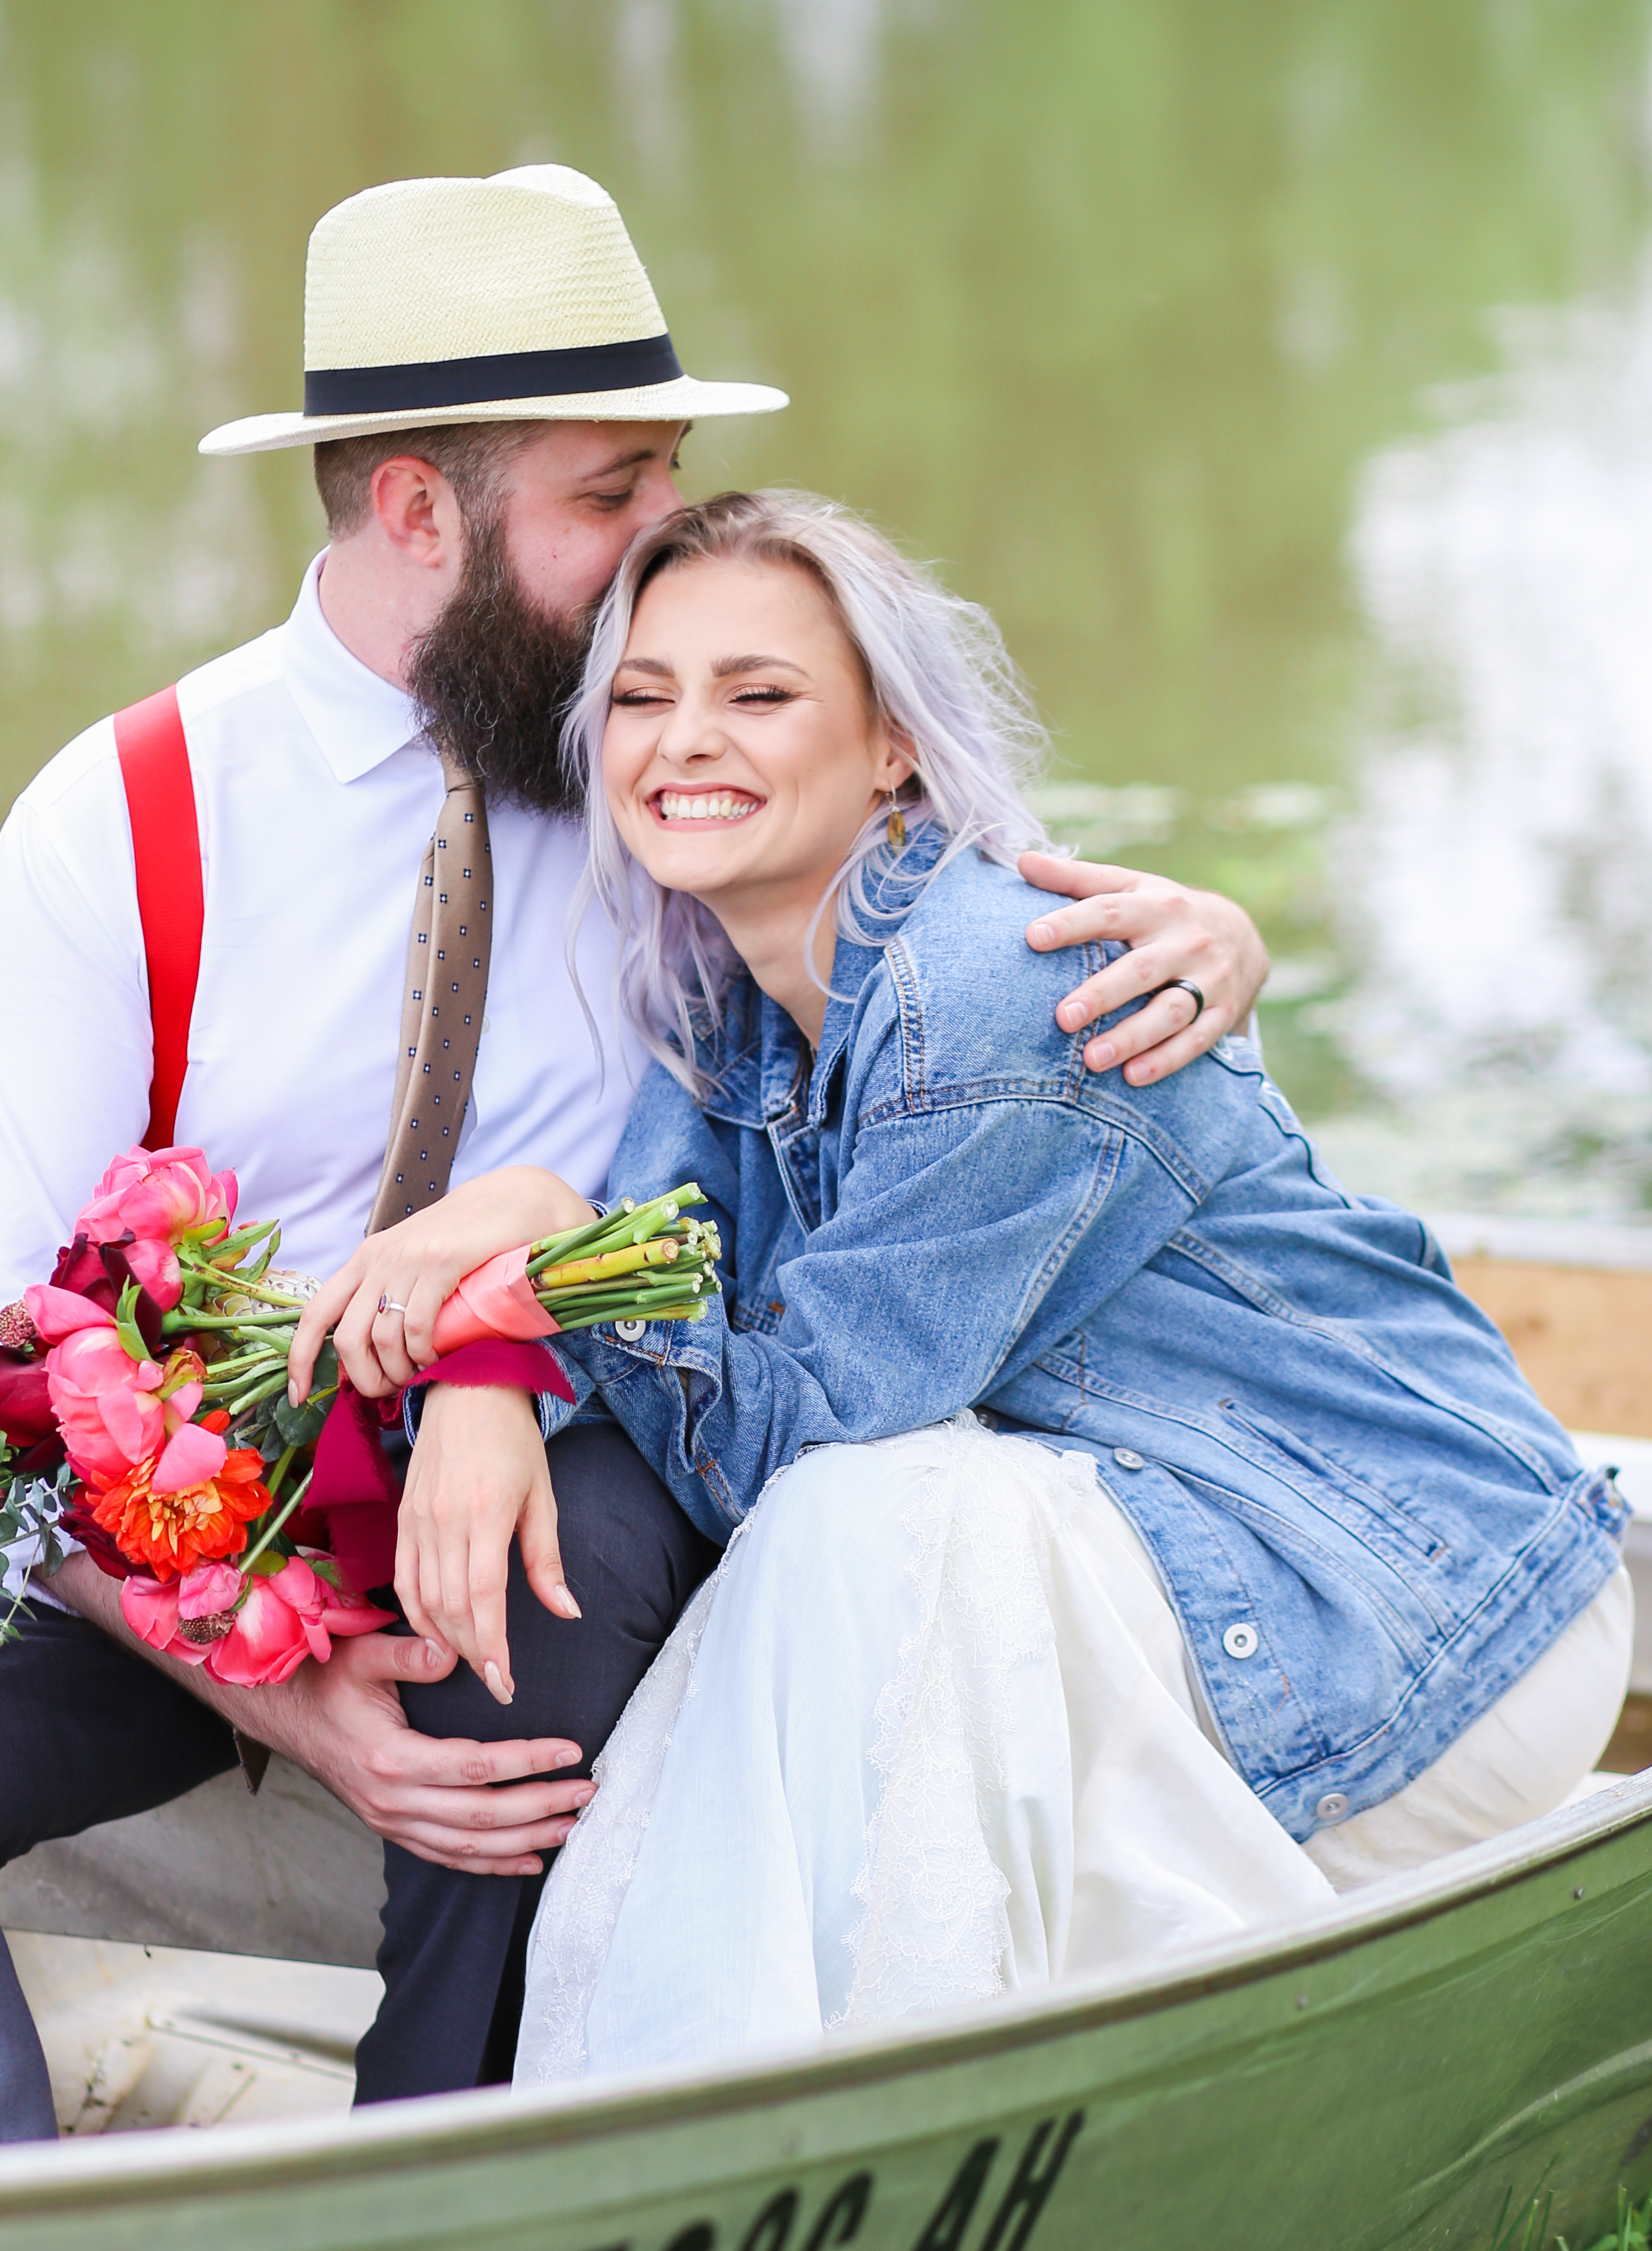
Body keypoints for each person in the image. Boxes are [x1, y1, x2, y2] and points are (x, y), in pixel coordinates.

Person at [0, 173, 1272, 2147]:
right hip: (193, 1535)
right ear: (421, 510)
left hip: (579, 1458)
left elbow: (948, 942)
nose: (661, 553)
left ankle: (430, 2180)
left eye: (665, 481)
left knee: (536, 1581)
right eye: (609, 496)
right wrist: (278, 1693)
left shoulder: (670, 773)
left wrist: (1207, 933)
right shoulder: (122, 818)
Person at [288, 490, 1634, 2085]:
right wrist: (493, 1364)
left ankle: (783, 2102)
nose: (683, 741)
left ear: (892, 748)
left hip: (1422, 1624)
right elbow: (638, 1296)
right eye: (643, 698)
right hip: (1195, 1547)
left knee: (874, 1520)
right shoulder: (733, 1003)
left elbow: (785, 1430)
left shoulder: (992, 996)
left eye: (759, 694)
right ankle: (694, 2103)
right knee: (869, 1537)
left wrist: (522, 1235)